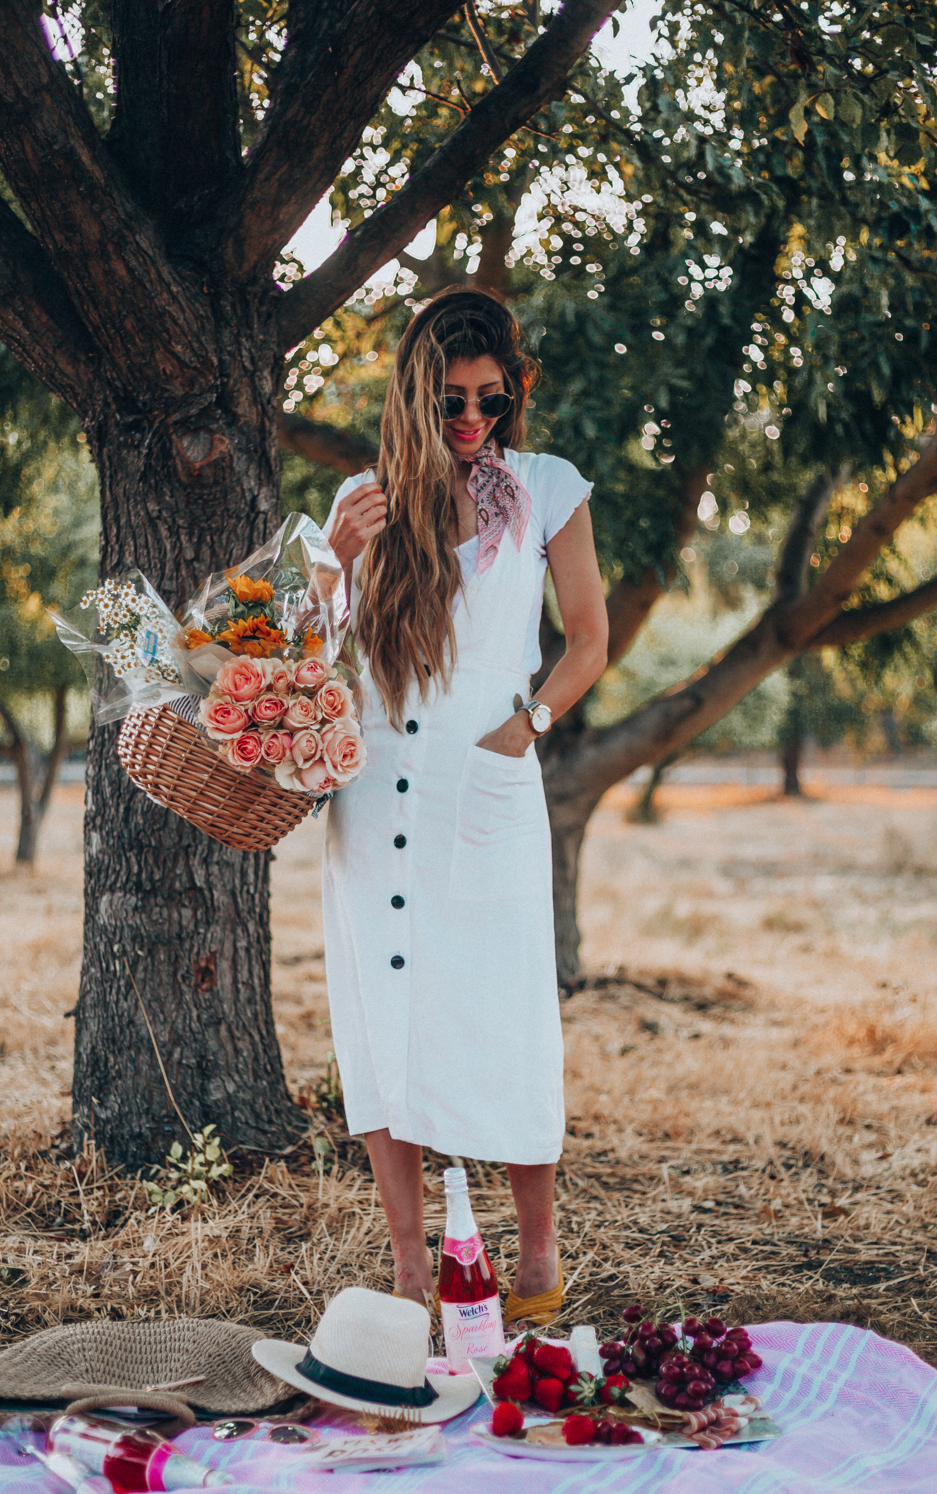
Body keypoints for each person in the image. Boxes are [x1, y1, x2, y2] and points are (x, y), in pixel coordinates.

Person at [322, 288, 609, 1320]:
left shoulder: (545, 489)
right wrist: (335, 562)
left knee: (507, 1011)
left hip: (484, 786)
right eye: (451, 400)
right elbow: (306, 655)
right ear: (414, 395)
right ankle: (410, 1267)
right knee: (382, 1018)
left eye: (492, 397)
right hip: (373, 799)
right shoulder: (362, 498)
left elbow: (587, 641)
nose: (473, 419)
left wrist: (521, 729)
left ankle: (535, 1255)